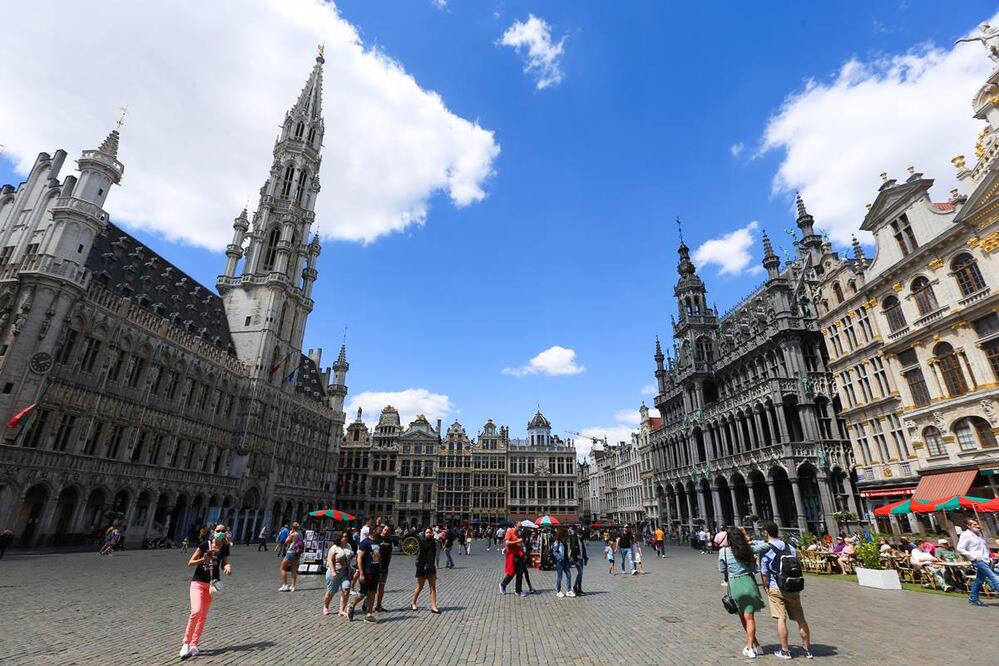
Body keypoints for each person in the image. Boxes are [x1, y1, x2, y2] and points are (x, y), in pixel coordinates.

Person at [759, 521, 812, 660]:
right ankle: (807, 650)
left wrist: (765, 586)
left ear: (766, 532)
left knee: (781, 618)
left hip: (776, 586)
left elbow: (764, 571)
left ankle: (785, 650)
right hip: (793, 586)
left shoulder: (766, 548)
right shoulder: (790, 546)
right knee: (801, 618)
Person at [179, 524, 232, 660]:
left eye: (223, 531)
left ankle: (194, 643)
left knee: (203, 615)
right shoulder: (204, 545)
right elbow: (190, 562)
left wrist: (227, 567)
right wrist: (204, 559)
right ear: (213, 532)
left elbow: (224, 563)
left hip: (211, 585)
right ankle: (185, 643)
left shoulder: (224, 547)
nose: (220, 533)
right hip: (197, 582)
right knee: (196, 611)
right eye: (218, 531)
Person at [719, 527, 764, 659]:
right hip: (749, 582)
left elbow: (721, 568)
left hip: (734, 585)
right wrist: (747, 540)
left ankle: (749, 647)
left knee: (744, 617)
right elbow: (765, 545)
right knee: (748, 617)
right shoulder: (748, 549)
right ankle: (756, 645)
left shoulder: (724, 552)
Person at [957, 517, 999, 606]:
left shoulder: (979, 534)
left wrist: (989, 557)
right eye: (974, 524)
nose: (977, 526)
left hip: (986, 559)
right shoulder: (965, 535)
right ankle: (973, 598)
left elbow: (984, 547)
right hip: (977, 560)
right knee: (994, 577)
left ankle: (973, 598)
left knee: (979, 580)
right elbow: (960, 548)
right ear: (968, 526)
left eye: (977, 524)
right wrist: (973, 556)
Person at [348, 525, 382, 623]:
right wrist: (361, 573)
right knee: (362, 594)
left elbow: (378, 557)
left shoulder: (377, 542)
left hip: (375, 572)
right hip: (367, 571)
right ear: (373, 530)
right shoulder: (364, 543)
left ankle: (369, 614)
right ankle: (352, 605)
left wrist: (380, 570)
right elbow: (359, 558)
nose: (380, 531)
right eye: (378, 529)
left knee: (372, 593)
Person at [323, 531, 353, 617]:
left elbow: (349, 558)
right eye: (344, 536)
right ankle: (325, 607)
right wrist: (333, 571)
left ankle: (341, 610)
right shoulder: (334, 547)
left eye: (347, 536)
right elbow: (329, 560)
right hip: (334, 573)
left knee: (346, 590)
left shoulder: (349, 546)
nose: (346, 538)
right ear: (339, 538)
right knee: (331, 592)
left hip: (345, 573)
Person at [412, 527, 441, 613]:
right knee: (420, 586)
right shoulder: (421, 542)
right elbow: (410, 535)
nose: (429, 534)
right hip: (422, 566)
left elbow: (440, 545)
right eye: (427, 532)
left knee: (433, 587)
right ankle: (413, 603)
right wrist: (418, 529)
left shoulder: (434, 542)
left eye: (430, 532)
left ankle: (434, 606)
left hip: (431, 566)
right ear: (424, 534)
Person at [500, 525, 525, 595]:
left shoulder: (517, 533)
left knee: (520, 573)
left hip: (518, 554)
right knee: (512, 572)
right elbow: (507, 542)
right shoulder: (509, 531)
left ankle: (518, 590)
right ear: (515, 526)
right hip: (512, 555)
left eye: (521, 527)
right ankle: (503, 584)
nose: (520, 528)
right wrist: (517, 541)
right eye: (519, 527)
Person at [279, 522, 304, 592]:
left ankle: (285, 585)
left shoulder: (293, 534)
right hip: (297, 553)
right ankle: (293, 586)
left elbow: (286, 541)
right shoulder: (300, 534)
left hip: (291, 552)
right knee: (293, 570)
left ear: (292, 528)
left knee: (283, 568)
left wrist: (290, 534)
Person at [375, 525, 393, 612]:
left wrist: (387, 565)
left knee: (381, 587)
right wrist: (377, 566)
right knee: (373, 587)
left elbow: (390, 554)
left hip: (385, 567)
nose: (386, 532)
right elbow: (375, 554)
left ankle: (379, 605)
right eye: (385, 530)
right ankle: (367, 601)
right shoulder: (377, 539)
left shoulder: (389, 541)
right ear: (383, 530)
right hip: (376, 567)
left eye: (388, 531)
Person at [553, 528, 573, 597]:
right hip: (560, 561)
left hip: (566, 561)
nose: (567, 537)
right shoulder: (557, 542)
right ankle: (558, 591)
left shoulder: (564, 542)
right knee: (560, 577)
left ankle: (568, 590)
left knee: (569, 575)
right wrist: (559, 558)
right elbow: (554, 551)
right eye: (566, 535)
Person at [568, 527, 589, 595]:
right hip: (576, 558)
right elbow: (573, 549)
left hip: (581, 558)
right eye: (580, 534)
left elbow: (583, 549)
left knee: (581, 574)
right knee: (580, 572)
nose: (581, 535)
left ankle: (579, 589)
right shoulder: (573, 539)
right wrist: (575, 560)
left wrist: (585, 558)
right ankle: (574, 587)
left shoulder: (581, 540)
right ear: (577, 533)